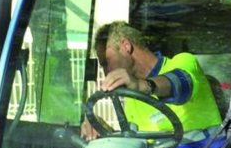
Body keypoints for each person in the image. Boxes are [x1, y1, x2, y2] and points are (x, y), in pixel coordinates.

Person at [81, 22, 222, 140]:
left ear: (126, 46)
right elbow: (134, 144)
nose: (106, 72)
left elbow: (180, 84)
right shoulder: (133, 98)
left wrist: (143, 85)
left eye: (107, 62)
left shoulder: (184, 62)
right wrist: (100, 128)